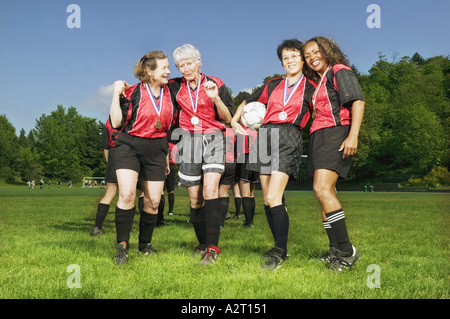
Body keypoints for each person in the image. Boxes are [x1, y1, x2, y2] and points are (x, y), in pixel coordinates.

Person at [231, 39, 314, 269]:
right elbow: (247, 101)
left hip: (289, 135)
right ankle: (278, 245)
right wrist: (234, 120)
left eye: (294, 56)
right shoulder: (272, 84)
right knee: (267, 199)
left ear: (303, 59)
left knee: (275, 197)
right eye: (285, 58)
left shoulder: (312, 87)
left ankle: (280, 250)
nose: (290, 61)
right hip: (265, 136)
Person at [302, 36, 365, 271]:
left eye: (316, 52)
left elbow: (357, 102)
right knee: (322, 194)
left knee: (321, 189)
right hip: (319, 136)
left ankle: (347, 252)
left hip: (337, 134)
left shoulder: (339, 71)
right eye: (307, 55)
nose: (311, 58)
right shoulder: (317, 81)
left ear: (327, 50)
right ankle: (335, 250)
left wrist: (353, 135)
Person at [169, 44, 233, 265]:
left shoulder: (216, 83)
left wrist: (215, 98)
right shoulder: (175, 86)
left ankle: (213, 249)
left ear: (198, 61)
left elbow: (227, 117)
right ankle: (203, 243)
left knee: (209, 190)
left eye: (189, 63)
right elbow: (153, 82)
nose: (186, 68)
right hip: (189, 140)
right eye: (181, 65)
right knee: (195, 198)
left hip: (214, 137)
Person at [109, 50, 175, 265]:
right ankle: (122, 246)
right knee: (127, 194)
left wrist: (165, 155)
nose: (168, 71)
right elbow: (117, 122)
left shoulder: (171, 92)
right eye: (164, 67)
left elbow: (167, 129)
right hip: (130, 146)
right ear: (149, 71)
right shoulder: (132, 92)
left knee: (154, 201)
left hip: (157, 149)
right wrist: (114, 94)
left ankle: (145, 244)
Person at [91, 118, 120, 236]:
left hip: (113, 154)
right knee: (130, 194)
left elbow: (105, 147)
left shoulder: (109, 122)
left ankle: (97, 227)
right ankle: (126, 227)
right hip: (129, 154)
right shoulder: (131, 115)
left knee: (109, 193)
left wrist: (110, 164)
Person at [235, 125, 259, 227]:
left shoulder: (240, 130)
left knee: (244, 193)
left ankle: (248, 222)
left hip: (244, 158)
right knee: (251, 193)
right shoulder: (257, 132)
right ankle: (250, 220)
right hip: (256, 159)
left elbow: (237, 148)